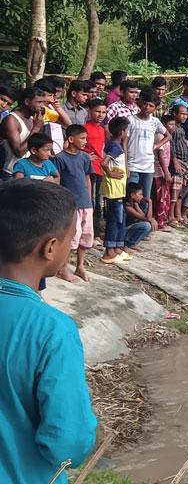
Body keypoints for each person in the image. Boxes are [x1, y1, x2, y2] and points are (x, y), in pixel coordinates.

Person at [0, 180, 98, 484]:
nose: (72, 246)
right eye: (71, 239)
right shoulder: (51, 330)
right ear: (50, 247)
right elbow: (68, 443)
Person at [53, 125, 94, 283]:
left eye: (86, 138)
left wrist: (89, 199)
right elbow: (58, 181)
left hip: (86, 203)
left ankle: (80, 266)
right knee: (72, 238)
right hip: (71, 204)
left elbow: (87, 178)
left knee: (86, 236)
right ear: (71, 139)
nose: (85, 141)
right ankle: (63, 269)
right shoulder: (60, 158)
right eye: (82, 138)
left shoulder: (84, 157)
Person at [126, 89, 169, 199]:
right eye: (145, 104)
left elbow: (168, 135)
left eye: (151, 105)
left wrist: (156, 145)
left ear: (155, 108)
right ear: (140, 103)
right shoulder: (131, 120)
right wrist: (126, 163)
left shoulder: (155, 121)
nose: (147, 107)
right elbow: (124, 142)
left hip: (148, 166)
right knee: (131, 197)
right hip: (133, 165)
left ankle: (145, 216)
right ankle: (133, 217)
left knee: (146, 197)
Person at [100, 117, 130, 264]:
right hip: (114, 188)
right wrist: (111, 174)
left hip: (119, 188)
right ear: (122, 132)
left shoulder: (118, 144)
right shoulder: (114, 146)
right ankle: (109, 250)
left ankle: (117, 246)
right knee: (114, 219)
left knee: (120, 217)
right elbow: (104, 162)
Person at [2, 87, 47, 179]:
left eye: (43, 102)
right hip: (12, 173)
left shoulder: (32, 120)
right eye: (39, 102)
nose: (42, 106)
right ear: (27, 101)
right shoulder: (11, 120)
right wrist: (36, 128)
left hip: (28, 172)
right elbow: (19, 152)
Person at [82, 99, 107, 226]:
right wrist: (85, 156)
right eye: (97, 111)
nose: (101, 115)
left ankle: (96, 230)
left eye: (103, 112)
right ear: (90, 111)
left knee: (99, 200)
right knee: (90, 199)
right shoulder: (84, 128)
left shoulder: (102, 129)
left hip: (100, 167)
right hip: (88, 168)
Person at [168, 105, 188, 226]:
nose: (184, 116)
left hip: (183, 161)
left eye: (186, 114)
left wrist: (187, 161)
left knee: (180, 190)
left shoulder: (181, 129)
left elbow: (183, 146)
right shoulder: (172, 128)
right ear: (175, 113)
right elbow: (170, 145)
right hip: (175, 162)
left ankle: (178, 215)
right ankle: (170, 216)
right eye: (182, 114)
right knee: (174, 190)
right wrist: (175, 160)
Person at [124, 182, 155, 247]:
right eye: (140, 194)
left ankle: (137, 237)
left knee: (151, 225)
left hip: (129, 229)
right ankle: (130, 243)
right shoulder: (128, 207)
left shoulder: (135, 204)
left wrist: (152, 220)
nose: (142, 196)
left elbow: (145, 217)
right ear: (132, 195)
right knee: (146, 226)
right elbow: (148, 219)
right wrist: (150, 202)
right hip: (123, 232)